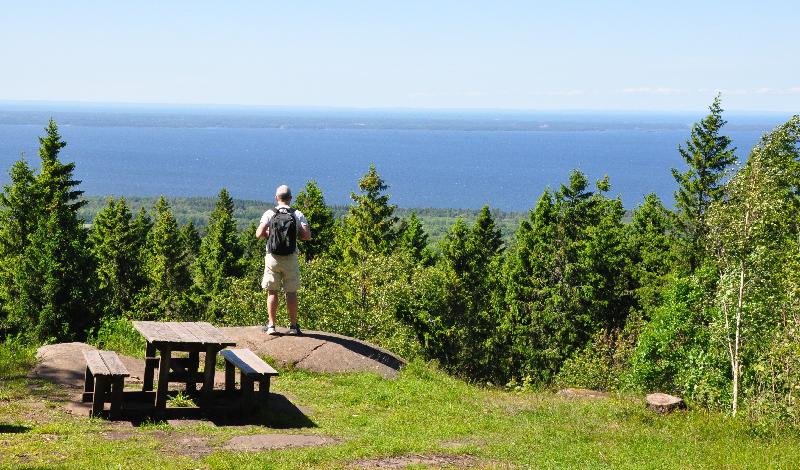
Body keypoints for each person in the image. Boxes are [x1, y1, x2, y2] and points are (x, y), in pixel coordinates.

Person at [255, 184, 311, 335]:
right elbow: (307, 236)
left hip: (272, 256)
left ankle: (272, 325)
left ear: (276, 198)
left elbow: (258, 233)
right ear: (290, 198)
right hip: (290, 257)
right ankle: (293, 326)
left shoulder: (270, 213)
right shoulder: (297, 214)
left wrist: (271, 235)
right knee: (291, 291)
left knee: (272, 291)